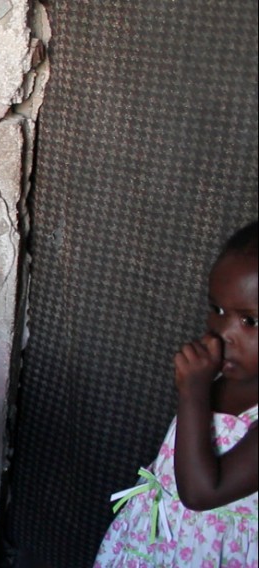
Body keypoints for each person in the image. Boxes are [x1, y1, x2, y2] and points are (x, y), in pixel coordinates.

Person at [94, 220, 258, 567]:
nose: (223, 332)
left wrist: (193, 392)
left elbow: (202, 493)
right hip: (158, 541)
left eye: (250, 322)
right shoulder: (219, 379)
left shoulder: (204, 386)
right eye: (218, 310)